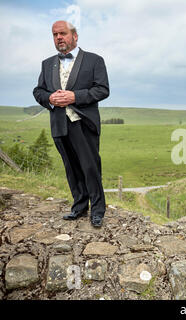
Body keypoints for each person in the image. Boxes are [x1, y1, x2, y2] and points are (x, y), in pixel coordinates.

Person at [33, 21, 109, 228]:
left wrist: (75, 96)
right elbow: (38, 91)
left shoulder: (95, 60)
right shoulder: (47, 64)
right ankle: (79, 206)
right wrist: (50, 98)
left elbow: (102, 90)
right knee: (71, 167)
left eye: (63, 33)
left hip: (84, 123)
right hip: (59, 123)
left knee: (90, 167)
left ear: (74, 36)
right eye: (55, 34)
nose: (59, 37)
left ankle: (98, 210)